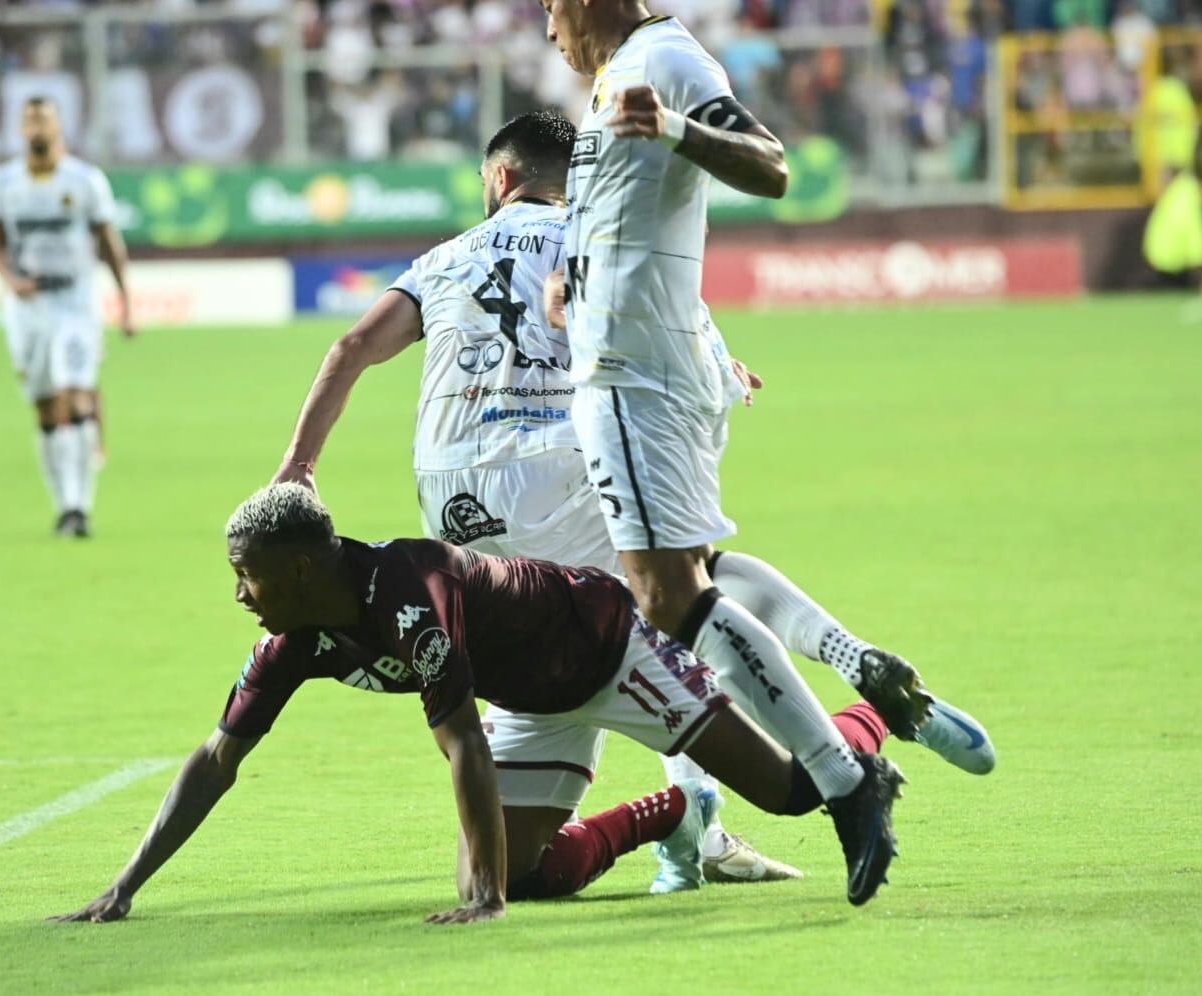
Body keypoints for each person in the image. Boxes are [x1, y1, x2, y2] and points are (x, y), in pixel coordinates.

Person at [273, 109, 993, 885]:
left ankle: (828, 734)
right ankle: (705, 805)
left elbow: (350, 347)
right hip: (556, 489)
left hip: (462, 509)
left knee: (666, 605)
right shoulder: (601, 245)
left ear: (500, 177)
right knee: (669, 604)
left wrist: (298, 466)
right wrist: (718, 361)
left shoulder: (443, 259)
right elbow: (680, 336)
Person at [534, 1, 998, 900]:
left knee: (666, 601)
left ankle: (842, 777)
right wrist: (571, 280)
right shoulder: (614, 80)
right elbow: (628, 215)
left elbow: (772, 166)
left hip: (634, 374)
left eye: (551, 7)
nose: (549, 29)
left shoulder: (662, 59)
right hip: (653, 357)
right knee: (694, 577)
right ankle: (863, 668)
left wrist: (671, 125)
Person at [52, 484, 903, 927]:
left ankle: (867, 735)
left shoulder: (410, 591)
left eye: (248, 573)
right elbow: (216, 759)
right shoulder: (294, 641)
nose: (239, 593)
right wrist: (124, 887)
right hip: (528, 699)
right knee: (518, 872)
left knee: (794, 793)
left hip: (610, 651)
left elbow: (462, 745)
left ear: (303, 569)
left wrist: (483, 903)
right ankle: (673, 809)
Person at [0, 96, 133, 538]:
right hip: (28, 307)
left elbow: (109, 243)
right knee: (46, 405)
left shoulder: (85, 181)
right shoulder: (4, 182)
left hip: (76, 300)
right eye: (29, 120)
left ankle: (79, 505)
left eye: (43, 119)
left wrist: (126, 302)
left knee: (75, 395)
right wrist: (10, 280)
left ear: (59, 126)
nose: (36, 128)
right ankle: (64, 503)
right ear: (20, 128)